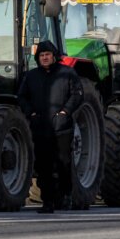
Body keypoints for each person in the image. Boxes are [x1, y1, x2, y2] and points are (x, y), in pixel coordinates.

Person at [17, 40, 83, 213]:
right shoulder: (31, 76)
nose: (45, 58)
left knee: (63, 162)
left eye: (47, 55)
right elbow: (22, 97)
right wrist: (31, 113)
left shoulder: (67, 73)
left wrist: (65, 113)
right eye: (41, 55)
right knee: (44, 165)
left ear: (54, 56)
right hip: (40, 126)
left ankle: (65, 197)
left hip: (61, 126)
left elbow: (77, 94)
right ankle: (48, 202)